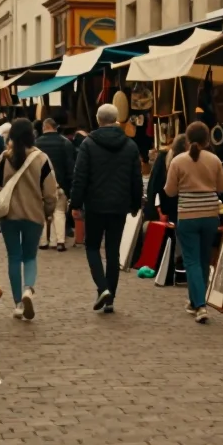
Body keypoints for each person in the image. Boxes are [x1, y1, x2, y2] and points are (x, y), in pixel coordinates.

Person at [70, 104, 144, 313]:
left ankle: (103, 288)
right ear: (118, 119)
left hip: (95, 205)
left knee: (92, 247)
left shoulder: (88, 144)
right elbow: (136, 179)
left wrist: (75, 203)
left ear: (98, 119)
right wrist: (135, 204)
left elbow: (80, 176)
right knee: (113, 252)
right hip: (119, 206)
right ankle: (110, 298)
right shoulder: (130, 146)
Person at [0, 118, 58, 320]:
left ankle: (18, 302)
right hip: (34, 214)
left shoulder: (4, 158)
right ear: (31, 134)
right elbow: (51, 191)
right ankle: (29, 289)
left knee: (14, 257)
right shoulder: (41, 158)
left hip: (9, 215)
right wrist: (48, 211)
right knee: (30, 256)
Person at [164, 122, 223, 324]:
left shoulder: (178, 161)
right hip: (210, 215)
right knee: (203, 260)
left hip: (188, 215)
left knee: (191, 261)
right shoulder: (215, 160)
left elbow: (170, 191)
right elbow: (222, 187)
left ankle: (200, 305)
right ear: (208, 140)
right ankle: (194, 301)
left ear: (188, 140)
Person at [34, 118, 75, 251]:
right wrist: (69, 187)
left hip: (41, 185)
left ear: (44, 127)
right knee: (59, 212)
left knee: (42, 213)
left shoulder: (36, 144)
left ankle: (43, 242)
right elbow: (70, 167)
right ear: (55, 127)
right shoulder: (65, 143)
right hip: (59, 184)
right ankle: (60, 242)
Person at [144, 135, 188, 222]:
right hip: (171, 208)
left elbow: (153, 187)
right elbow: (153, 187)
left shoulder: (164, 158)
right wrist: (155, 213)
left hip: (178, 207)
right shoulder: (163, 158)